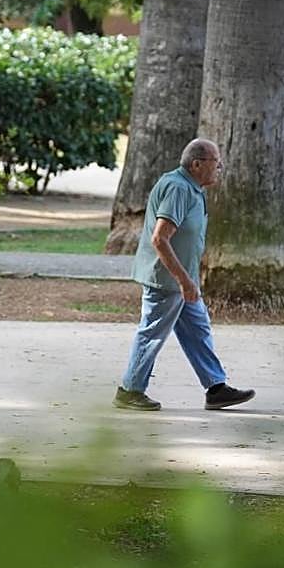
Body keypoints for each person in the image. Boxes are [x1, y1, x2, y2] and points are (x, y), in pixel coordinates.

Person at [113, 139, 255, 412]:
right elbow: (160, 239)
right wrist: (183, 279)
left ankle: (216, 388)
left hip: (182, 279)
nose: (220, 167)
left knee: (198, 330)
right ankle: (129, 390)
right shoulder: (178, 188)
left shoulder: (192, 188)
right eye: (216, 162)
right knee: (152, 333)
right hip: (167, 280)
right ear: (197, 164)